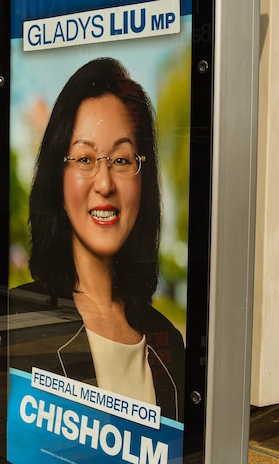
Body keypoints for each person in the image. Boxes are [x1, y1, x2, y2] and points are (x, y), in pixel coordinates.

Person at [12, 57, 185, 421]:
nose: (104, 184)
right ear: (57, 177)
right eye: (85, 159)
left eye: (121, 160)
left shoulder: (168, 339)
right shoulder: (18, 321)